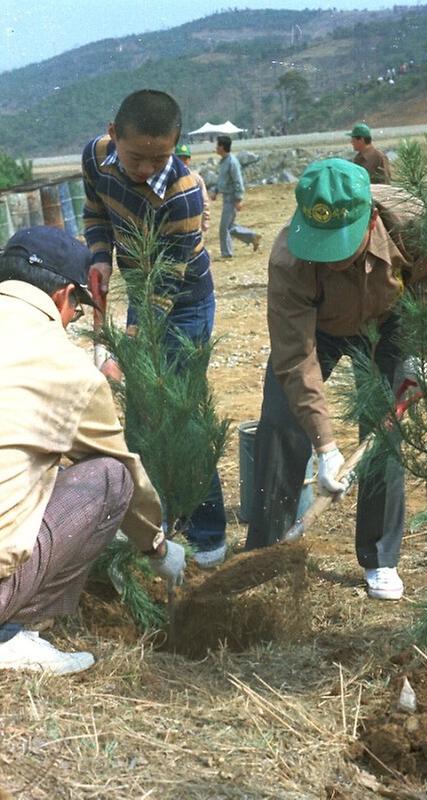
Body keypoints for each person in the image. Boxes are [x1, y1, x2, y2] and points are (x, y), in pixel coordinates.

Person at [245, 158, 427, 600]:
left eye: (340, 247)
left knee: (384, 430)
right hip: (319, 328)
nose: (331, 262)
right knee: (281, 422)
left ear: (369, 218)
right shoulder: (289, 260)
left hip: (390, 322)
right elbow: (296, 357)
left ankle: (379, 557)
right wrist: (326, 448)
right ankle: (264, 554)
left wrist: (417, 349)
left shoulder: (408, 221)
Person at [0, 227, 185, 675]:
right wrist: (157, 545)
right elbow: (120, 465)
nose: (72, 319)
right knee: (109, 476)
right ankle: (10, 636)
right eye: (77, 309)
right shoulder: (67, 368)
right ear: (63, 295)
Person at [82, 89, 227, 568]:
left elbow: (162, 288)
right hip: (143, 294)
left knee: (182, 413)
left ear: (176, 143)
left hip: (183, 304)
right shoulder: (97, 159)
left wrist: (127, 348)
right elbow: (97, 213)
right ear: (112, 135)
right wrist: (100, 259)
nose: (146, 169)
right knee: (142, 417)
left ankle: (208, 534)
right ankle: (157, 526)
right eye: (136, 156)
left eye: (158, 157)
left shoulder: (184, 194)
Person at [209, 134, 261, 258]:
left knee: (224, 228)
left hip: (231, 199)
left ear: (222, 147)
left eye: (217, 145)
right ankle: (252, 237)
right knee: (230, 226)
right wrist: (216, 191)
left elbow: (238, 181)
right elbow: (222, 180)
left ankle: (227, 254)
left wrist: (238, 199)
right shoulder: (224, 162)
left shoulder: (232, 162)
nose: (216, 147)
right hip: (226, 197)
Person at [176, 142, 211, 233]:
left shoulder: (196, 179)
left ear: (189, 159)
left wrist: (205, 220)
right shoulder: (170, 180)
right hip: (177, 224)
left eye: (185, 158)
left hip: (195, 222)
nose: (182, 161)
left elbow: (205, 201)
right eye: (179, 158)